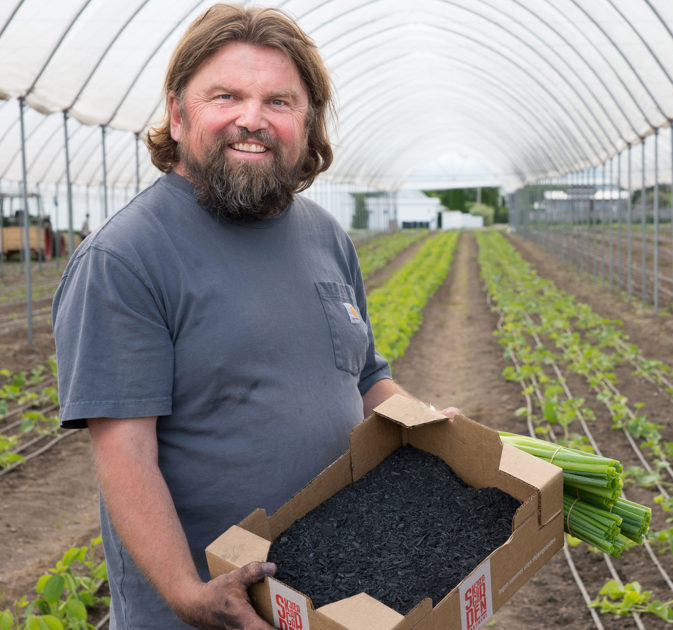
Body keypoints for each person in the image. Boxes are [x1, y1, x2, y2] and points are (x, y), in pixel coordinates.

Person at [51, 5, 444, 628]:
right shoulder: (127, 256)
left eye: (279, 101)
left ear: (307, 122)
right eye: (225, 95)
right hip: (216, 603)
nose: (251, 119)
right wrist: (188, 593)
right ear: (179, 116)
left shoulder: (324, 236)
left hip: (332, 589)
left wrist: (431, 426)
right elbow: (125, 453)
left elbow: (366, 377)